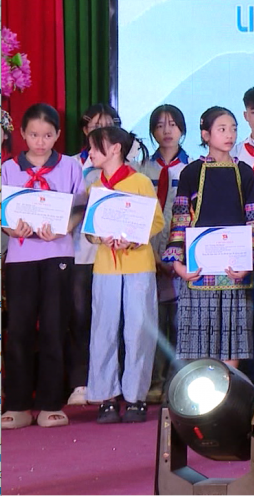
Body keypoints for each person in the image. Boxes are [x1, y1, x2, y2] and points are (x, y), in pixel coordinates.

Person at [0, 104, 86, 429]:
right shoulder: (9, 168)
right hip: (21, 257)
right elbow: (5, 213)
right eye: (34, 135)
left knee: (53, 327)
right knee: (19, 329)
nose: (40, 141)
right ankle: (19, 404)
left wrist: (65, 226)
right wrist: (11, 229)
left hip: (58, 255)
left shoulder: (70, 166)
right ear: (22, 134)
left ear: (58, 135)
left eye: (48, 135)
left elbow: (80, 207)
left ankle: (50, 403)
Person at [165, 106, 254, 369]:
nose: (230, 134)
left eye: (233, 128)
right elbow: (180, 220)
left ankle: (228, 393)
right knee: (201, 339)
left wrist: (248, 263)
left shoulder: (244, 171)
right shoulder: (191, 172)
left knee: (233, 338)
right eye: (222, 129)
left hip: (235, 269)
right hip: (198, 268)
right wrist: (178, 264)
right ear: (205, 134)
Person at [84, 126, 165, 424]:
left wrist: (133, 238)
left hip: (138, 263)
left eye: (95, 147)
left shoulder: (140, 181)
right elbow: (90, 229)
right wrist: (100, 238)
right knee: (103, 329)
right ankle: (106, 396)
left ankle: (135, 396)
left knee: (138, 330)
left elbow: (156, 220)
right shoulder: (95, 187)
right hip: (106, 265)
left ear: (115, 148)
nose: (90, 153)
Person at [67, 102, 119, 406]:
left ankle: (112, 381)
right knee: (80, 318)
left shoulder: (129, 167)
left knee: (112, 320)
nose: (101, 130)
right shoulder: (71, 164)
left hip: (115, 256)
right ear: (85, 131)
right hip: (80, 254)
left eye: (108, 124)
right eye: (95, 125)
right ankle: (80, 382)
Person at [140, 105, 189, 404]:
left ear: (183, 129)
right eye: (159, 126)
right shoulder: (142, 169)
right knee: (154, 322)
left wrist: (178, 256)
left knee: (182, 321)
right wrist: (155, 255)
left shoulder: (194, 167)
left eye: (172, 124)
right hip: (148, 252)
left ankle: (178, 382)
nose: (167, 131)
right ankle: (154, 380)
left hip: (183, 254)